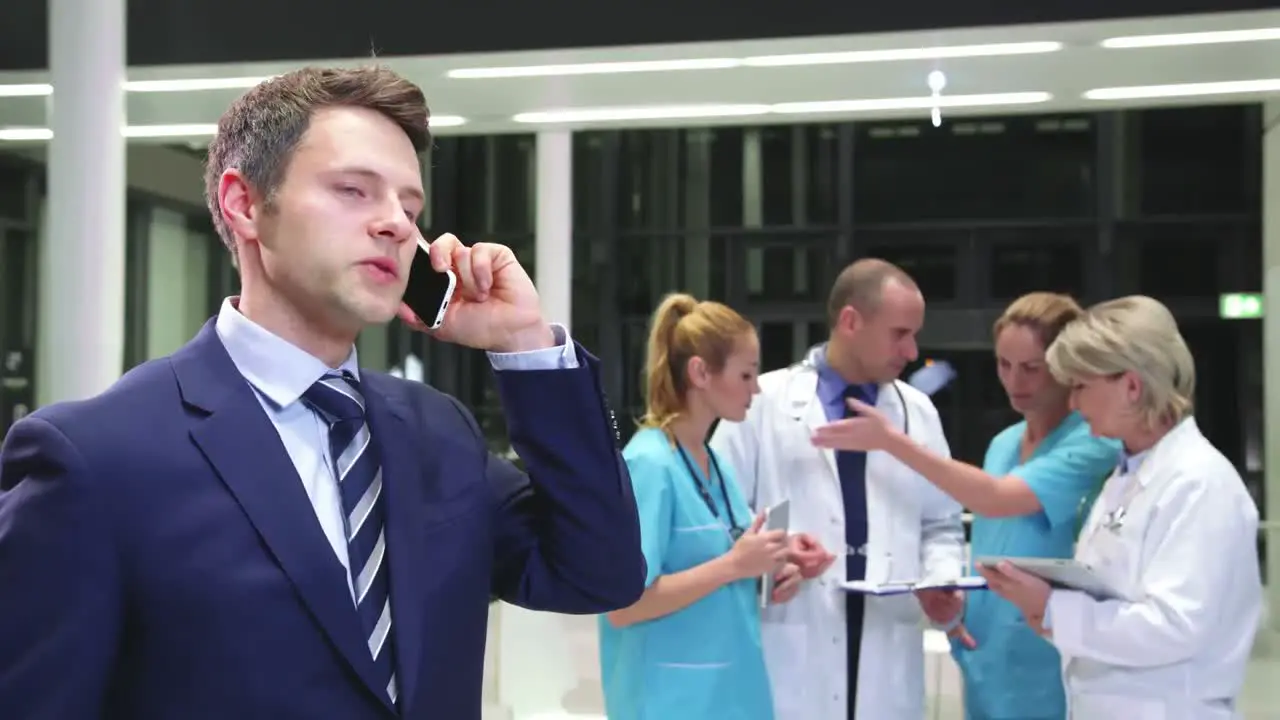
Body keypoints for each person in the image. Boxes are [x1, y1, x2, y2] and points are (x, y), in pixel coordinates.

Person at [0, 66, 645, 720]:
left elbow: (598, 572)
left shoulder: (437, 432)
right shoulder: (96, 460)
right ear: (245, 204)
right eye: (354, 191)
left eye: (410, 206)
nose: (395, 224)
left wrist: (525, 342)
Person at [812, 292, 1121, 720]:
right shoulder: (1004, 444)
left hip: (1049, 661)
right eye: (1004, 365)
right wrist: (957, 609)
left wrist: (891, 442)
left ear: (1068, 368)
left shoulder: (1093, 443)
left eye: (1032, 369)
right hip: (984, 656)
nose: (1016, 382)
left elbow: (995, 498)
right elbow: (983, 538)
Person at [978, 295, 1263, 719]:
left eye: (1080, 387)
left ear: (1131, 386)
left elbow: (1176, 625)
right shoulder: (1126, 477)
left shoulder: (1199, 483)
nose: (1072, 404)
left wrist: (1055, 608)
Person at [711, 259, 966, 720]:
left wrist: (940, 579)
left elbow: (942, 524)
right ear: (850, 322)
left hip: (888, 646)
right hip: (791, 638)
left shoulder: (918, 414)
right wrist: (776, 554)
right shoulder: (762, 404)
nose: (911, 351)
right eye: (899, 333)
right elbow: (715, 519)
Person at [599, 293, 803, 720]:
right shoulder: (650, 464)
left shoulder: (716, 466)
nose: (756, 388)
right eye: (746, 374)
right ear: (700, 373)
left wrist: (774, 565)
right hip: (667, 702)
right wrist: (734, 566)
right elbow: (622, 606)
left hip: (731, 697)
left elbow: (728, 567)